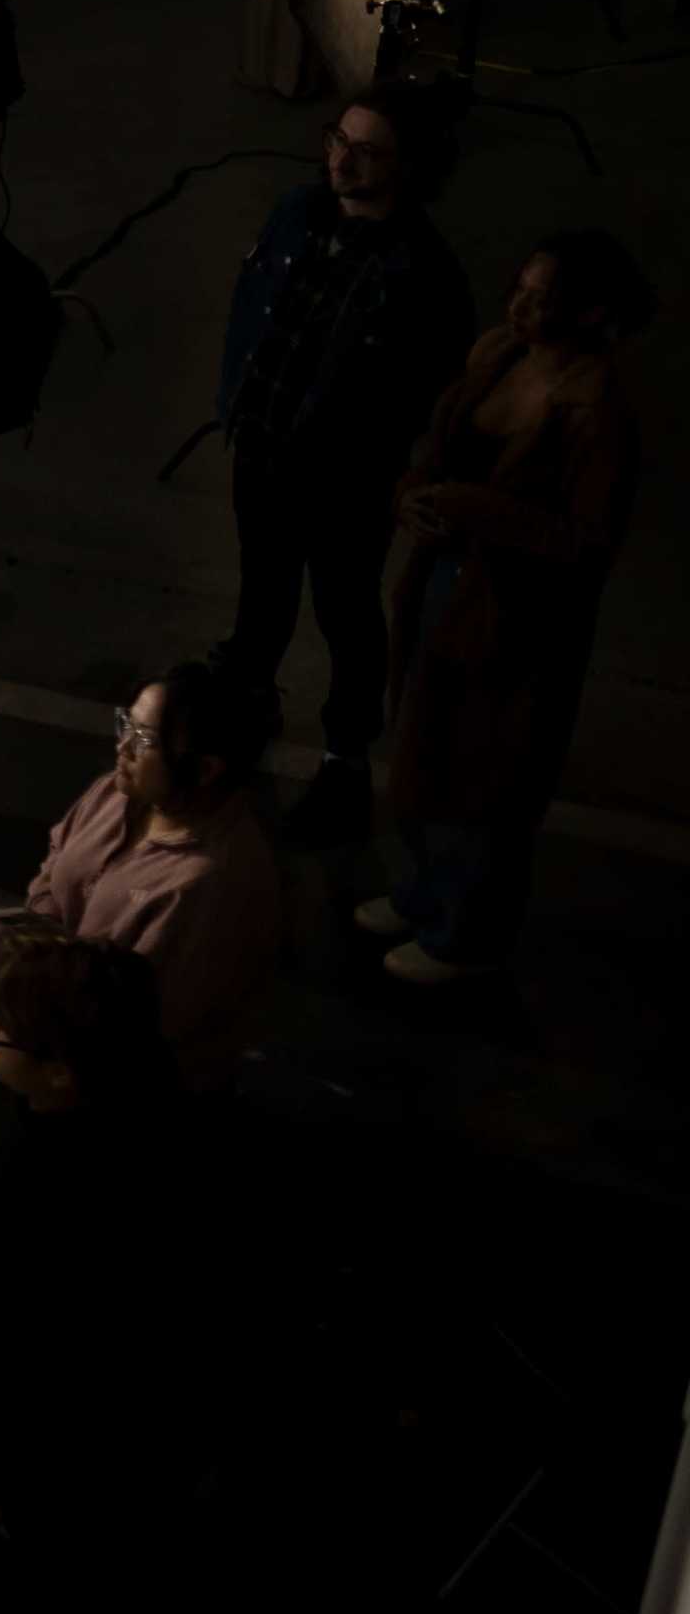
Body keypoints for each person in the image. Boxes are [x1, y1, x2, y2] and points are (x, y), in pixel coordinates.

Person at [368, 230, 658, 985]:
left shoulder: (596, 411)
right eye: (520, 290)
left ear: (591, 313)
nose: (522, 307)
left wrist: (480, 509)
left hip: (521, 615)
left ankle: (466, 932)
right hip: (446, 580)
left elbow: (586, 540)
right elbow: (435, 441)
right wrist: (413, 499)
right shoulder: (497, 352)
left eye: (543, 298)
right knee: (422, 746)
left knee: (487, 772)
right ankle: (423, 891)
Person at [0, 922, 197, 1614]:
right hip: (78, 1469)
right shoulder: (151, 1101)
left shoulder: (51, 1191)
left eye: (2, 1033)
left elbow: (31, 1353)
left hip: (33, 1479)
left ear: (59, 1074)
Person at [214, 92, 471, 844]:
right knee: (261, 593)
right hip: (262, 450)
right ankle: (250, 704)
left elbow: (434, 394)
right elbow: (253, 309)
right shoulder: (299, 212)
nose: (340, 158)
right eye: (337, 138)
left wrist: (396, 474)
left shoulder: (424, 272)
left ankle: (345, 756)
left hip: (344, 481)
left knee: (345, 612)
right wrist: (235, 402)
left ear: (409, 169)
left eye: (366, 150)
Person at [22, 661, 284, 1075]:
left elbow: (145, 1020)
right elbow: (58, 855)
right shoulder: (119, 791)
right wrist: (42, 932)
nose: (122, 747)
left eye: (143, 739)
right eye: (125, 723)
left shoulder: (206, 883)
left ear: (205, 769)